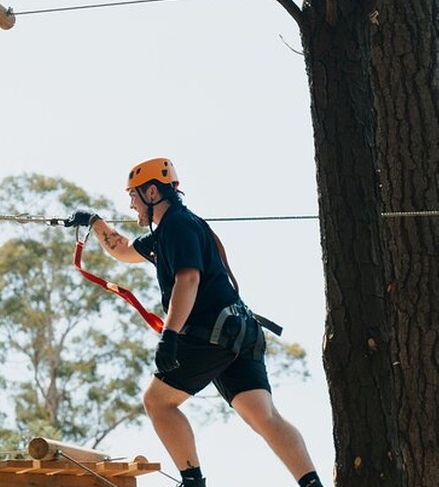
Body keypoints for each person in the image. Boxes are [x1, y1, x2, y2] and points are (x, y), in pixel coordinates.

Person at [64, 157, 323, 487]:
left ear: (153, 192)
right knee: (263, 414)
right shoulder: (170, 231)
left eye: (133, 195)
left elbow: (188, 280)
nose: (130, 205)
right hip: (240, 331)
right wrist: (94, 221)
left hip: (212, 331)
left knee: (158, 402)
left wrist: (169, 336)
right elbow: (125, 250)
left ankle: (192, 482)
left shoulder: (177, 226)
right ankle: (311, 483)